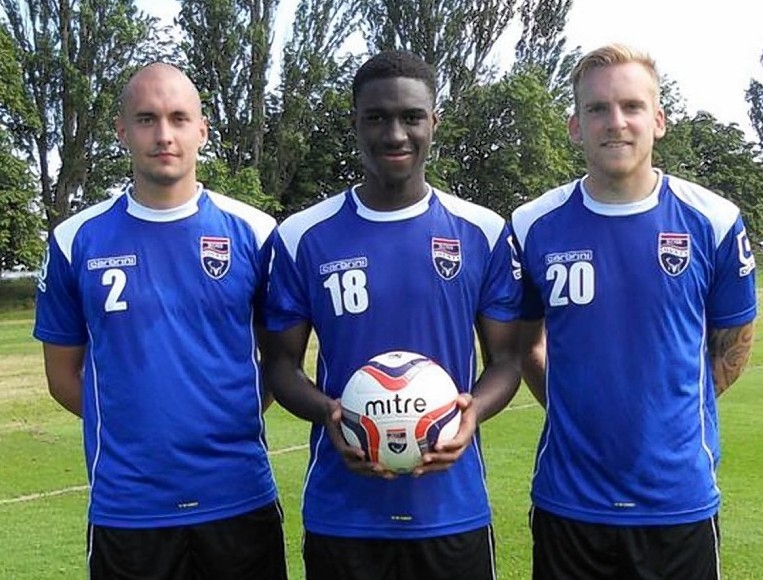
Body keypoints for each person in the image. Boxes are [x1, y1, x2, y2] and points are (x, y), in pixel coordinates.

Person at [261, 50, 525, 580]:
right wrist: (330, 415)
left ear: (434, 122)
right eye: (377, 117)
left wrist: (472, 414)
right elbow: (281, 366)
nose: (395, 134)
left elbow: (507, 359)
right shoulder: (301, 237)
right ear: (355, 123)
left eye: (411, 117)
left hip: (451, 513)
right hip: (344, 515)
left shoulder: (483, 232)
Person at [512, 44, 757, 580]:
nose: (615, 122)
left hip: (679, 504)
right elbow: (524, 345)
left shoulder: (713, 220)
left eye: (631, 106)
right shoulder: (533, 225)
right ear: (576, 126)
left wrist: (665, 410)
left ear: (659, 120)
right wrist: (572, 404)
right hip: (568, 504)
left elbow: (734, 338)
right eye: (597, 109)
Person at [33, 63, 287, 579]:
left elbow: (279, 362)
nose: (164, 135)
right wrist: (135, 428)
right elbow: (63, 377)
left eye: (178, 118)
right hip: (129, 509)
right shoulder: (74, 239)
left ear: (202, 130)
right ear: (122, 131)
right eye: (147, 119)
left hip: (238, 498)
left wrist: (226, 416)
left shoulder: (257, 234)